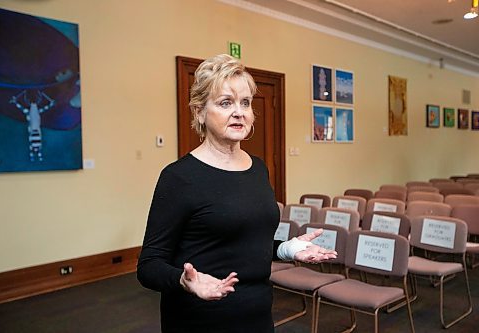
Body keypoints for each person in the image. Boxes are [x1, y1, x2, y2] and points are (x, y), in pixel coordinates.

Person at [137, 54, 337, 333]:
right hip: (200, 319)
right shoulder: (179, 177)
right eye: (225, 102)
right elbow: (149, 265)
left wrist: (287, 248)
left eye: (245, 102)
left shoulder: (258, 168)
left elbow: (246, 245)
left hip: (257, 314)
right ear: (199, 112)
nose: (239, 112)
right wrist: (184, 281)